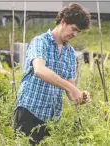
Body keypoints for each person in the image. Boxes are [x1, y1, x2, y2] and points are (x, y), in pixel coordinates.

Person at [14, 2, 91, 145]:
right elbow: (40, 70)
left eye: (78, 32)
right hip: (30, 112)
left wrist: (79, 94)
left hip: (51, 119)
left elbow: (70, 88)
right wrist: (71, 88)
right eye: (73, 29)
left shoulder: (70, 53)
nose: (74, 34)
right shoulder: (40, 42)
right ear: (63, 22)